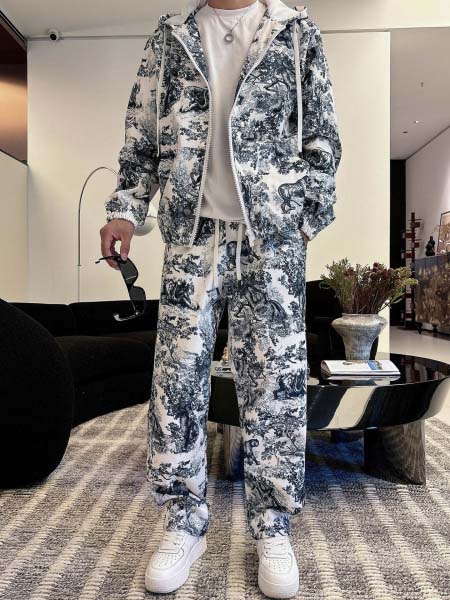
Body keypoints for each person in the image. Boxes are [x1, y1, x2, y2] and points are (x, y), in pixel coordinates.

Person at [100, 0, 342, 597]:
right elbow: (141, 138)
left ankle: (272, 524)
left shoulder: (294, 31)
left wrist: (302, 218)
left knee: (276, 385)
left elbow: (323, 137)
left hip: (270, 240)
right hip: (192, 235)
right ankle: (183, 521)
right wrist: (126, 208)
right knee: (177, 382)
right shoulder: (172, 36)